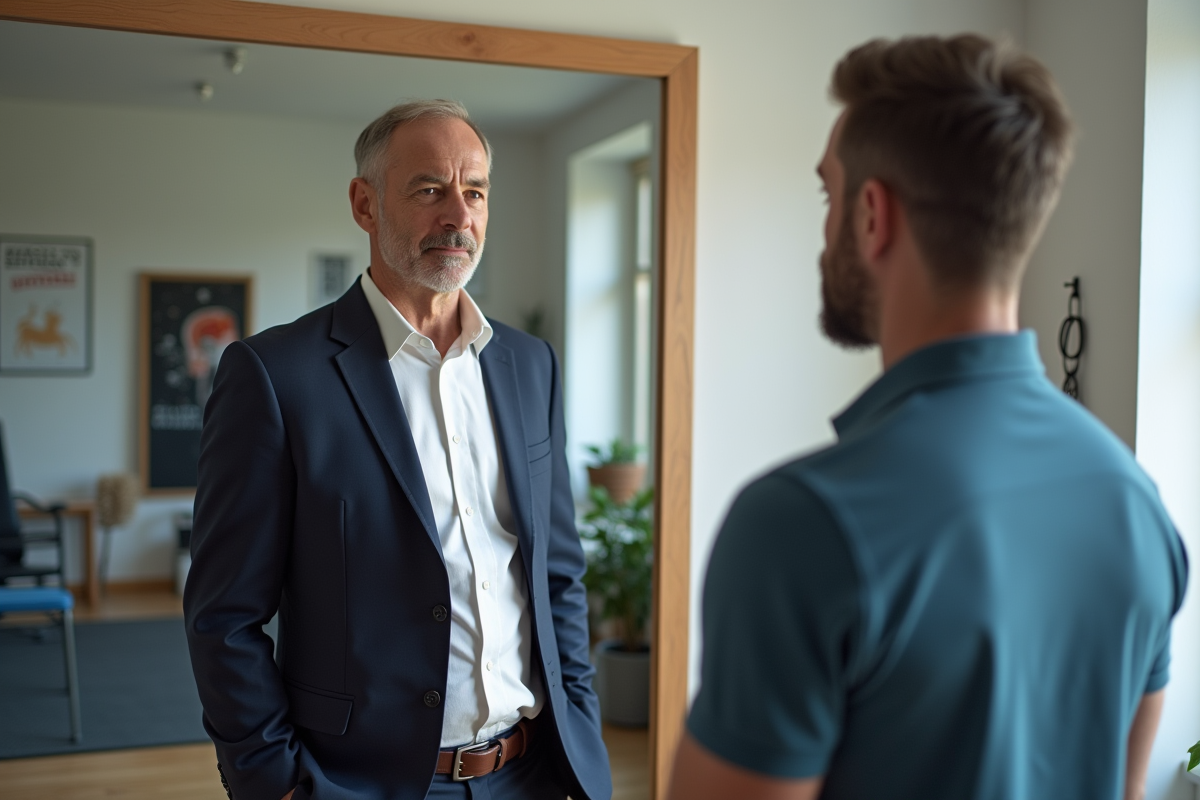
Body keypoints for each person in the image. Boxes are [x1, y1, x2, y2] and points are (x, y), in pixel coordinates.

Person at [669, 35, 1187, 800]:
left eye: (829, 197)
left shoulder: (799, 524)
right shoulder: (1137, 504)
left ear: (871, 215)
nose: (825, 231)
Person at [184, 100, 611, 800]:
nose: (458, 215)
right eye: (429, 190)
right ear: (365, 204)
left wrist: (582, 736)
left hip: (532, 773)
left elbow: (557, 575)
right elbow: (223, 616)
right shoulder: (276, 376)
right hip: (358, 783)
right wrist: (275, 784)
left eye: (475, 192)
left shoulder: (531, 366)